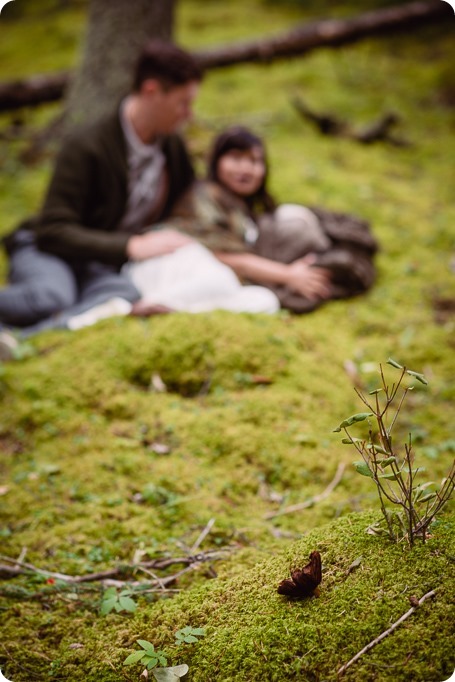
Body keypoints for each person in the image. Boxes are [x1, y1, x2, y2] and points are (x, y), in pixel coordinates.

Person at [0, 39, 203, 342]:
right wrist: (130, 247)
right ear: (151, 92)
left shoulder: (171, 148)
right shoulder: (88, 145)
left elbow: (193, 202)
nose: (188, 114)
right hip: (49, 250)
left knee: (124, 298)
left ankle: (21, 341)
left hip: (101, 266)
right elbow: (52, 229)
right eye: (182, 103)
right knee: (52, 296)